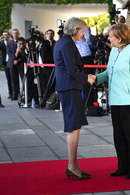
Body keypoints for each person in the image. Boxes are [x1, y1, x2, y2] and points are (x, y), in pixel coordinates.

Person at [94, 23, 130, 179]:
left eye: (110, 36)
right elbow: (109, 72)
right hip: (116, 100)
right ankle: (123, 167)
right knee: (119, 137)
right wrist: (95, 78)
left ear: (119, 37)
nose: (108, 38)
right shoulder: (114, 51)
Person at [53, 17, 94, 180]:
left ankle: (74, 165)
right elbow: (71, 71)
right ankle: (71, 166)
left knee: (74, 126)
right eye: (83, 30)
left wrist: (84, 77)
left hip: (68, 86)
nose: (84, 33)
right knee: (74, 126)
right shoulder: (68, 44)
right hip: (70, 87)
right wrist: (87, 79)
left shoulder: (63, 42)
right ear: (75, 29)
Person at [7, 29, 21, 100]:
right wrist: (14, 59)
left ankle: (24, 94)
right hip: (12, 63)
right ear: (12, 35)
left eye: (16, 33)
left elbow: (23, 51)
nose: (15, 34)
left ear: (19, 34)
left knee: (23, 78)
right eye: (14, 33)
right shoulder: (9, 43)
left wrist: (18, 60)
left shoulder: (22, 41)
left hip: (20, 62)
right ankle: (15, 94)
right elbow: (9, 52)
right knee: (14, 79)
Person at [0, 30, 13, 99]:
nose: (5, 36)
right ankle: (10, 93)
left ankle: (16, 92)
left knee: (14, 78)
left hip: (12, 62)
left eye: (7, 35)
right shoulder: (2, 44)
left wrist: (11, 40)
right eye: (4, 35)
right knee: (8, 78)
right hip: (6, 62)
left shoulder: (12, 43)